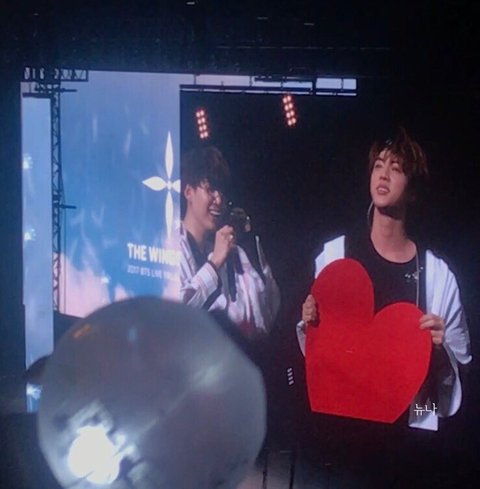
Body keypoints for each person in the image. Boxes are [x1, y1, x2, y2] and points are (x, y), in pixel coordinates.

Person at [295, 128, 471, 487]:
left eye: (396, 167)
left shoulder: (437, 274)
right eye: (378, 165)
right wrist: (308, 323)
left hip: (407, 439)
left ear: (414, 190)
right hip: (340, 434)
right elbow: (317, 356)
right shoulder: (335, 256)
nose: (384, 174)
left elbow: (456, 376)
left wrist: (439, 352)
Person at [180, 146, 280, 337]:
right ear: (188, 191)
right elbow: (173, 312)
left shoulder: (228, 250)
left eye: (222, 192)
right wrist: (214, 264)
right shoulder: (170, 245)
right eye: (210, 190)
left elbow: (267, 313)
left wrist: (250, 248)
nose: (218, 200)